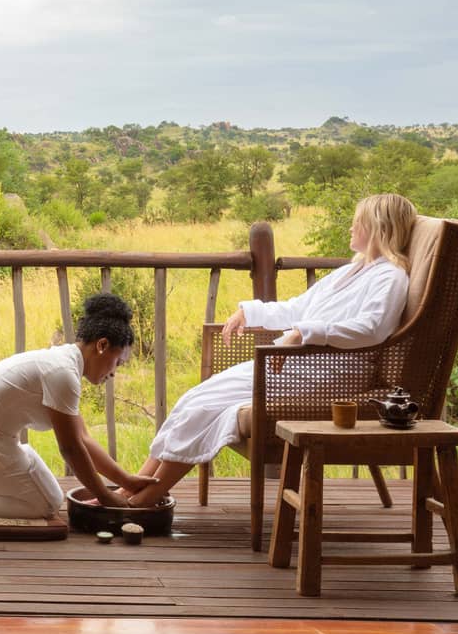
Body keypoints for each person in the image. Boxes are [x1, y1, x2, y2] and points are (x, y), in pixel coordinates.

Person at [123, 193, 417, 508]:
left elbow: (373, 328)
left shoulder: (391, 277)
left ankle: (144, 500)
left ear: (378, 228)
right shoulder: (354, 270)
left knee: (203, 406)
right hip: (302, 365)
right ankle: (132, 489)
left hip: (330, 372)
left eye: (358, 222)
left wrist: (303, 333)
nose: (351, 227)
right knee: (193, 399)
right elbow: (298, 307)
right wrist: (250, 312)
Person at [0, 292, 157, 526]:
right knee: (41, 505)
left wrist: (126, 481)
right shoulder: (63, 374)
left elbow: (83, 439)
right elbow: (70, 449)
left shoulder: (64, 364)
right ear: (101, 346)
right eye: (118, 362)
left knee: (52, 497)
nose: (114, 373)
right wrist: (105, 496)